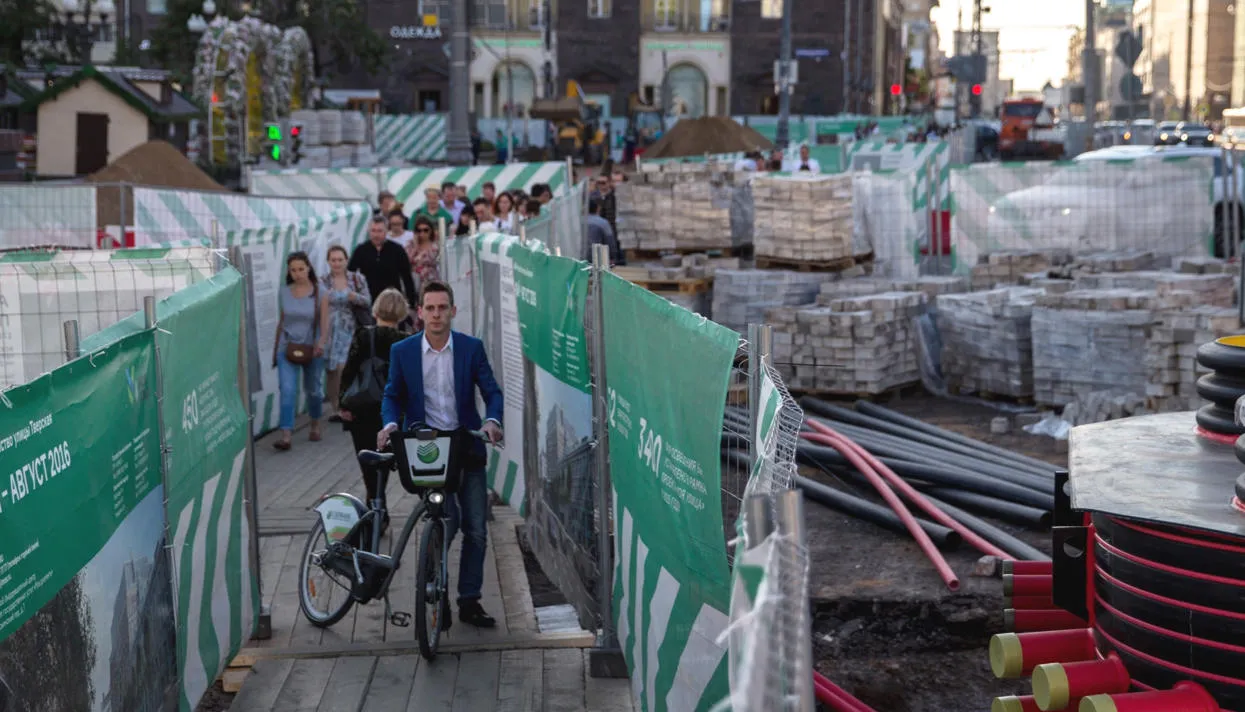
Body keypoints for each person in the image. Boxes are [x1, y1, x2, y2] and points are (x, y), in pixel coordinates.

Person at [379, 281, 504, 629]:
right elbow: (392, 396)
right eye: (430, 308)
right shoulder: (403, 352)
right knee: (445, 524)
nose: (436, 314)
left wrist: (492, 421)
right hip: (428, 450)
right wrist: (390, 425)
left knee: (476, 529)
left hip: (466, 443)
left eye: (442, 307)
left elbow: (492, 392)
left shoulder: (470, 348)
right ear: (419, 312)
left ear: (452, 311)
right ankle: (436, 590)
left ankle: (469, 600)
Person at [338, 288, 409, 507]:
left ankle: (374, 503)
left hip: (362, 406)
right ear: (401, 313)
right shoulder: (406, 340)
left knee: (367, 460)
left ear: (376, 310)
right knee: (384, 458)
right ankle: (378, 501)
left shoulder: (363, 335)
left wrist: (343, 403)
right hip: (391, 409)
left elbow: (349, 370)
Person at [272, 251, 331, 451]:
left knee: (313, 389)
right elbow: (282, 320)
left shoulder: (320, 292)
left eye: (301, 269)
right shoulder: (284, 292)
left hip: (311, 347)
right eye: (293, 270)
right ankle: (286, 433)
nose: (298, 273)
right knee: (287, 389)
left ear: (308, 268)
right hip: (286, 346)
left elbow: (325, 322)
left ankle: (315, 422)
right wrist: (276, 347)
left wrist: (321, 343)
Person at [321, 245, 371, 422]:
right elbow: (319, 305)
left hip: (350, 329)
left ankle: (347, 405)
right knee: (331, 370)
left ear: (346, 260)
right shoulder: (323, 281)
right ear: (328, 261)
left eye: (340, 259)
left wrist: (354, 296)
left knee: (345, 367)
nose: (336, 263)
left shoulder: (356, 279)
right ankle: (335, 407)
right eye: (333, 260)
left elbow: (368, 301)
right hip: (329, 331)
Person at [348, 216, 418, 312]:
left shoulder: (397, 250)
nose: (376, 235)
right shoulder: (361, 250)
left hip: (392, 301)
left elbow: (407, 277)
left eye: (379, 231)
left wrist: (411, 303)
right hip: (369, 301)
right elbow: (350, 274)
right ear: (369, 231)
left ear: (386, 231)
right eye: (373, 231)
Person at [585, 197, 623, 265]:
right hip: (598, 259)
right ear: (597, 209)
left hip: (580, 258)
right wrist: (613, 257)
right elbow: (610, 241)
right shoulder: (603, 223)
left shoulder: (579, 222)